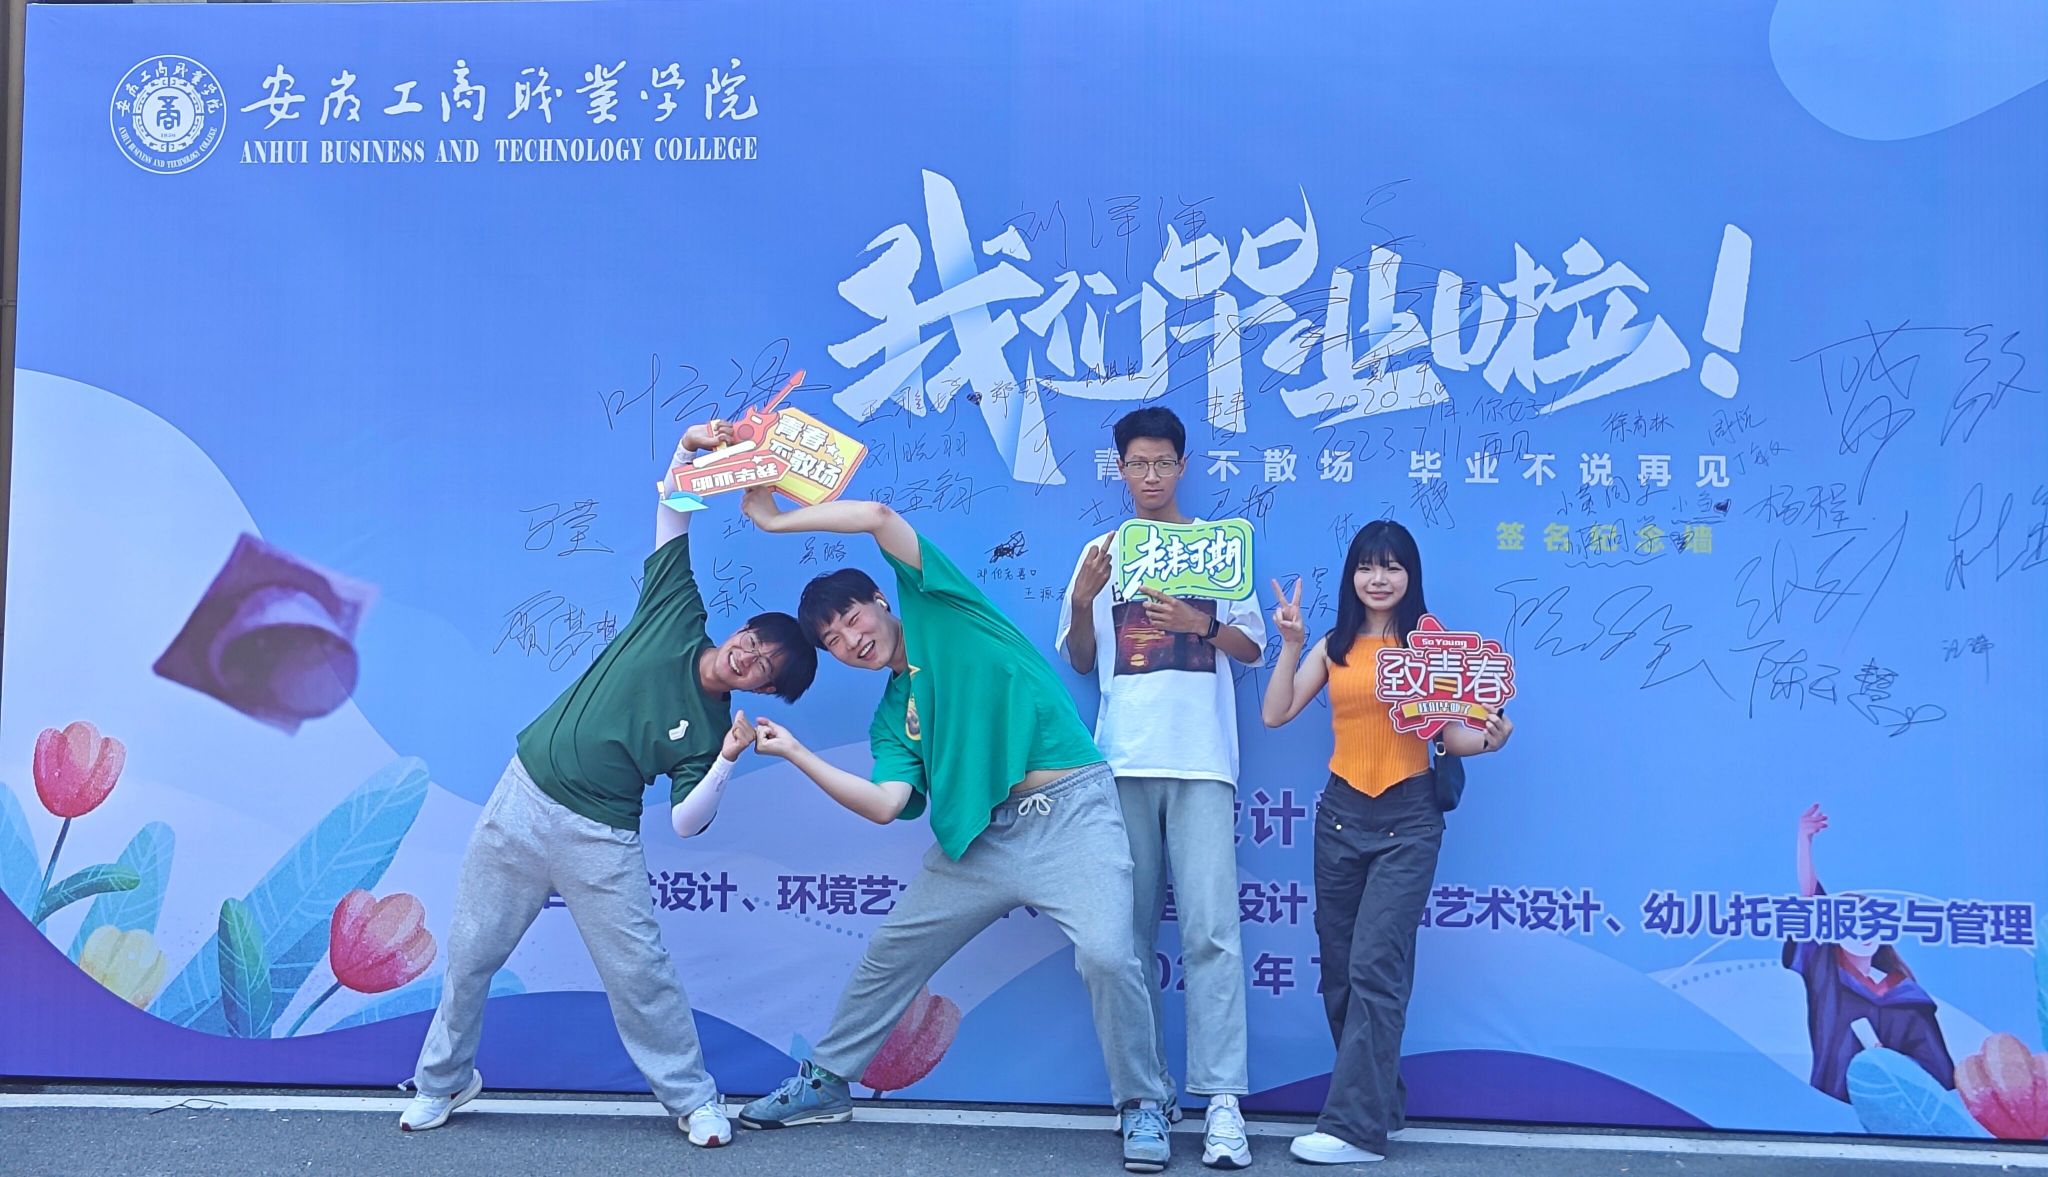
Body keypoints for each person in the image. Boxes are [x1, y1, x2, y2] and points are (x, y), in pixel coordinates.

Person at [398, 419, 819, 1147]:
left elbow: (686, 820)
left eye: (766, 668)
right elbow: (673, 513)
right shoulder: (676, 613)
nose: (750, 658)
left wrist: (726, 759)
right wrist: (688, 451)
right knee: (469, 955)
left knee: (640, 975)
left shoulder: (712, 730)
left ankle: (695, 1100)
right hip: (521, 796)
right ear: (741, 629)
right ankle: (443, 1081)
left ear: (766, 689)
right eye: (755, 641)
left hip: (598, 838)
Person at [733, 488, 1178, 1174]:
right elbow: (886, 803)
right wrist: (796, 753)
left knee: (1108, 954)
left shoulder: (941, 605)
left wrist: (774, 519)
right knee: (890, 951)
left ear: (880, 599)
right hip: (983, 838)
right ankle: (825, 1081)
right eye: (834, 641)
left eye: (852, 617)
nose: (852, 639)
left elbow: (878, 518)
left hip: (1070, 813)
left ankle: (1143, 1102)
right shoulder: (892, 715)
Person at [1261, 520, 1513, 1165]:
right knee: (1340, 975)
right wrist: (1291, 644)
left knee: (1377, 968)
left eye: (1393, 567)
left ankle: (1355, 1130)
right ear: (1352, 575)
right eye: (1368, 566)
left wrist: (1488, 738)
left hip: (1409, 818)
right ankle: (1380, 1104)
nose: (1379, 579)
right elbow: (1276, 712)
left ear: (1410, 576)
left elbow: (1452, 737)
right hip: (1341, 816)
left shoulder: (1429, 649)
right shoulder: (1335, 646)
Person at [1056, 406, 1265, 1170]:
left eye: (1162, 462)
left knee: (1213, 931)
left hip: (1204, 759)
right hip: (1123, 760)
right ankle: (1145, 1097)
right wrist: (1085, 601)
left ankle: (1222, 1102)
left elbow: (1250, 647)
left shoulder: (1218, 547)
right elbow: (1082, 660)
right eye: (1137, 463)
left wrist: (1195, 622)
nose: (1150, 475)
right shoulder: (1101, 551)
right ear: (1120, 469)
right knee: (1125, 935)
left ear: (1183, 465)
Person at [1785, 804, 1955, 1101]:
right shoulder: (1826, 976)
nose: (1862, 935)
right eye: (1850, 927)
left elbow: (1938, 1070)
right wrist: (1804, 842)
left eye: (1869, 926)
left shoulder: (1909, 997)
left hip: (1894, 1109)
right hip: (1833, 1105)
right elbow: (1812, 904)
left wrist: (1895, 1067)